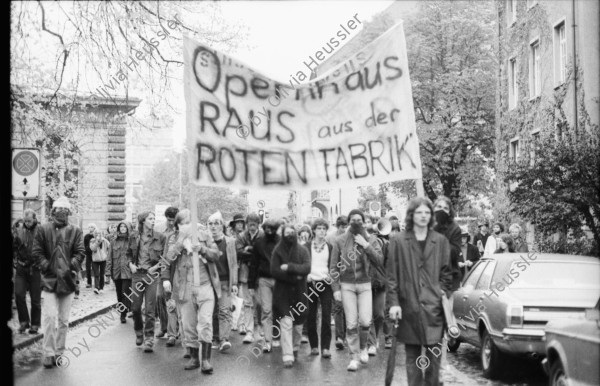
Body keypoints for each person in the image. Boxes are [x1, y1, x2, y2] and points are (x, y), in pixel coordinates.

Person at [387, 197, 452, 386]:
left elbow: (447, 274)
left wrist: (441, 292)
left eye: (427, 212)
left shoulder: (440, 241)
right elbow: (392, 276)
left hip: (434, 309)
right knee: (412, 358)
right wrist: (394, 303)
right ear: (411, 215)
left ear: (431, 216)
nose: (423, 216)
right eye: (419, 212)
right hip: (409, 307)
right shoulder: (398, 241)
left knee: (434, 358)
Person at [163, 209, 220, 373]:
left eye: (189, 223)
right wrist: (181, 243)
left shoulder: (205, 236)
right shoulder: (173, 238)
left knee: (206, 323)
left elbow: (216, 255)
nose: (187, 227)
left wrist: (201, 249)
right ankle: (194, 357)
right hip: (185, 288)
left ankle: (206, 360)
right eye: (183, 224)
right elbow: (167, 259)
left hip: (205, 286)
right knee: (188, 325)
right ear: (178, 225)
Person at [32, 196, 85, 369]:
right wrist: (47, 266)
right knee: (49, 317)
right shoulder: (42, 229)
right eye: (58, 209)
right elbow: (37, 251)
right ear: (53, 211)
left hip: (68, 281)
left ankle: (59, 352)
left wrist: (71, 266)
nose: (61, 212)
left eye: (65, 210)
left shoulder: (76, 230)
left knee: (63, 320)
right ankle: (48, 352)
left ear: (68, 212)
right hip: (49, 279)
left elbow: (80, 252)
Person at [330, 209, 384, 372]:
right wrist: (335, 288)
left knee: (366, 322)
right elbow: (333, 267)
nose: (356, 223)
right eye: (353, 220)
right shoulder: (339, 241)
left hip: (365, 285)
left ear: (364, 222)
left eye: (359, 220)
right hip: (346, 286)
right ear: (348, 222)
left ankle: (363, 348)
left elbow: (379, 261)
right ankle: (354, 357)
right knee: (352, 323)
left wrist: (366, 244)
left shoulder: (372, 239)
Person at [271, 225, 311, 368]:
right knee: (286, 321)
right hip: (282, 293)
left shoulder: (303, 250)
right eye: (287, 233)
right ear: (282, 234)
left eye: (292, 233)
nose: (289, 235)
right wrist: (295, 277)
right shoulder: (277, 251)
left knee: (298, 324)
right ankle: (287, 355)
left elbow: (307, 268)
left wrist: (289, 267)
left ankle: (294, 348)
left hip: (300, 293)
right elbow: (274, 271)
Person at [126, 211, 166, 352]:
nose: (153, 221)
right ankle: (138, 331)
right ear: (143, 221)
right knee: (135, 308)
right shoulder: (134, 236)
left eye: (154, 218)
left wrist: (155, 268)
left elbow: (164, 258)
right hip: (137, 275)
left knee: (150, 309)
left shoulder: (160, 237)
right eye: (150, 219)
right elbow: (128, 254)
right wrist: (130, 264)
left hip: (151, 276)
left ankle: (149, 338)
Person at [207, 211, 238, 352]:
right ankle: (214, 338)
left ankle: (224, 339)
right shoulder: (206, 241)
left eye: (216, 223)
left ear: (222, 226)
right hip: (209, 281)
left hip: (225, 281)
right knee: (212, 311)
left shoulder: (230, 241)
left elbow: (233, 264)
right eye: (211, 224)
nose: (213, 227)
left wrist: (235, 283)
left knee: (224, 310)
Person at [250, 219, 281, 353]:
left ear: (276, 229)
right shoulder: (259, 242)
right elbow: (254, 264)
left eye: (272, 228)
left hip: (280, 280)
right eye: (267, 228)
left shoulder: (282, 241)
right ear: (263, 228)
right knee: (266, 310)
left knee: (279, 309)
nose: (269, 231)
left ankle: (277, 336)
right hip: (264, 280)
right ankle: (267, 341)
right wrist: (251, 284)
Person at [305, 218, 333, 358]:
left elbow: (335, 265)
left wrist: (331, 276)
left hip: (325, 283)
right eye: (319, 228)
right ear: (314, 230)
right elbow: (302, 263)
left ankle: (326, 348)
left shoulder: (330, 247)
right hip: (310, 283)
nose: (322, 231)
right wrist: (306, 275)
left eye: (324, 229)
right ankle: (314, 346)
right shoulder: (306, 246)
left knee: (327, 316)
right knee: (311, 315)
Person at [235, 213, 263, 343]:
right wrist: (254, 252)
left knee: (262, 304)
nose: (252, 226)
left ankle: (262, 331)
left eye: (254, 223)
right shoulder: (241, 236)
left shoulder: (263, 235)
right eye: (250, 223)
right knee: (247, 303)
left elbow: (264, 253)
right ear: (247, 224)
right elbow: (239, 253)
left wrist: (249, 249)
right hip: (246, 274)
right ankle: (249, 332)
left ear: (258, 224)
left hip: (260, 274)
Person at [13, 209, 42, 334]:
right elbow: (13, 248)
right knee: (19, 295)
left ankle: (35, 324)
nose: (27, 223)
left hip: (35, 268)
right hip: (21, 268)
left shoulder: (41, 230)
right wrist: (15, 262)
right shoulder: (18, 230)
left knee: (35, 299)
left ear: (34, 219)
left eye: (29, 221)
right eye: (25, 221)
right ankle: (24, 322)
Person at [154, 206, 180, 340]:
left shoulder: (181, 230)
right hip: (160, 267)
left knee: (173, 298)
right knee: (159, 296)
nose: (171, 223)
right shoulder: (158, 229)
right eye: (169, 220)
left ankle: (174, 329)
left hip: (175, 268)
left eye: (173, 220)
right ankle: (163, 327)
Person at [326, 215, 348, 350]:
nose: (344, 229)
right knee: (338, 307)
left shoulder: (350, 237)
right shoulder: (330, 238)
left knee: (346, 308)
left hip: (348, 277)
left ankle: (345, 335)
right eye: (341, 227)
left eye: (346, 227)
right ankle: (339, 337)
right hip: (334, 275)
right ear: (337, 226)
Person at [106, 222, 133, 323]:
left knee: (125, 292)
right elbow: (109, 257)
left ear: (128, 228)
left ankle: (123, 313)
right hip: (116, 271)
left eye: (125, 226)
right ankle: (124, 310)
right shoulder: (113, 242)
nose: (122, 228)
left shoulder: (131, 241)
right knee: (119, 293)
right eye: (121, 226)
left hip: (127, 271)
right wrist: (108, 273)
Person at [90, 230, 110, 294]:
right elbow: (93, 248)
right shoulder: (92, 241)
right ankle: (96, 287)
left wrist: (106, 255)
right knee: (96, 274)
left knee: (102, 274)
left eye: (99, 234)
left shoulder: (105, 241)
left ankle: (101, 288)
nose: (98, 235)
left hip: (103, 260)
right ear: (95, 235)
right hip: (95, 260)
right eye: (97, 234)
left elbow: (110, 248)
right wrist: (97, 242)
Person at [83, 223, 97, 288]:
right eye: (90, 227)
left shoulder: (96, 235)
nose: (91, 228)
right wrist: (87, 250)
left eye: (92, 227)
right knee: (88, 268)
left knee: (95, 269)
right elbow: (84, 245)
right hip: (88, 254)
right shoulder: (86, 236)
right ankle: (89, 282)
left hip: (95, 254)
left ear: (94, 228)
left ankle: (97, 283)